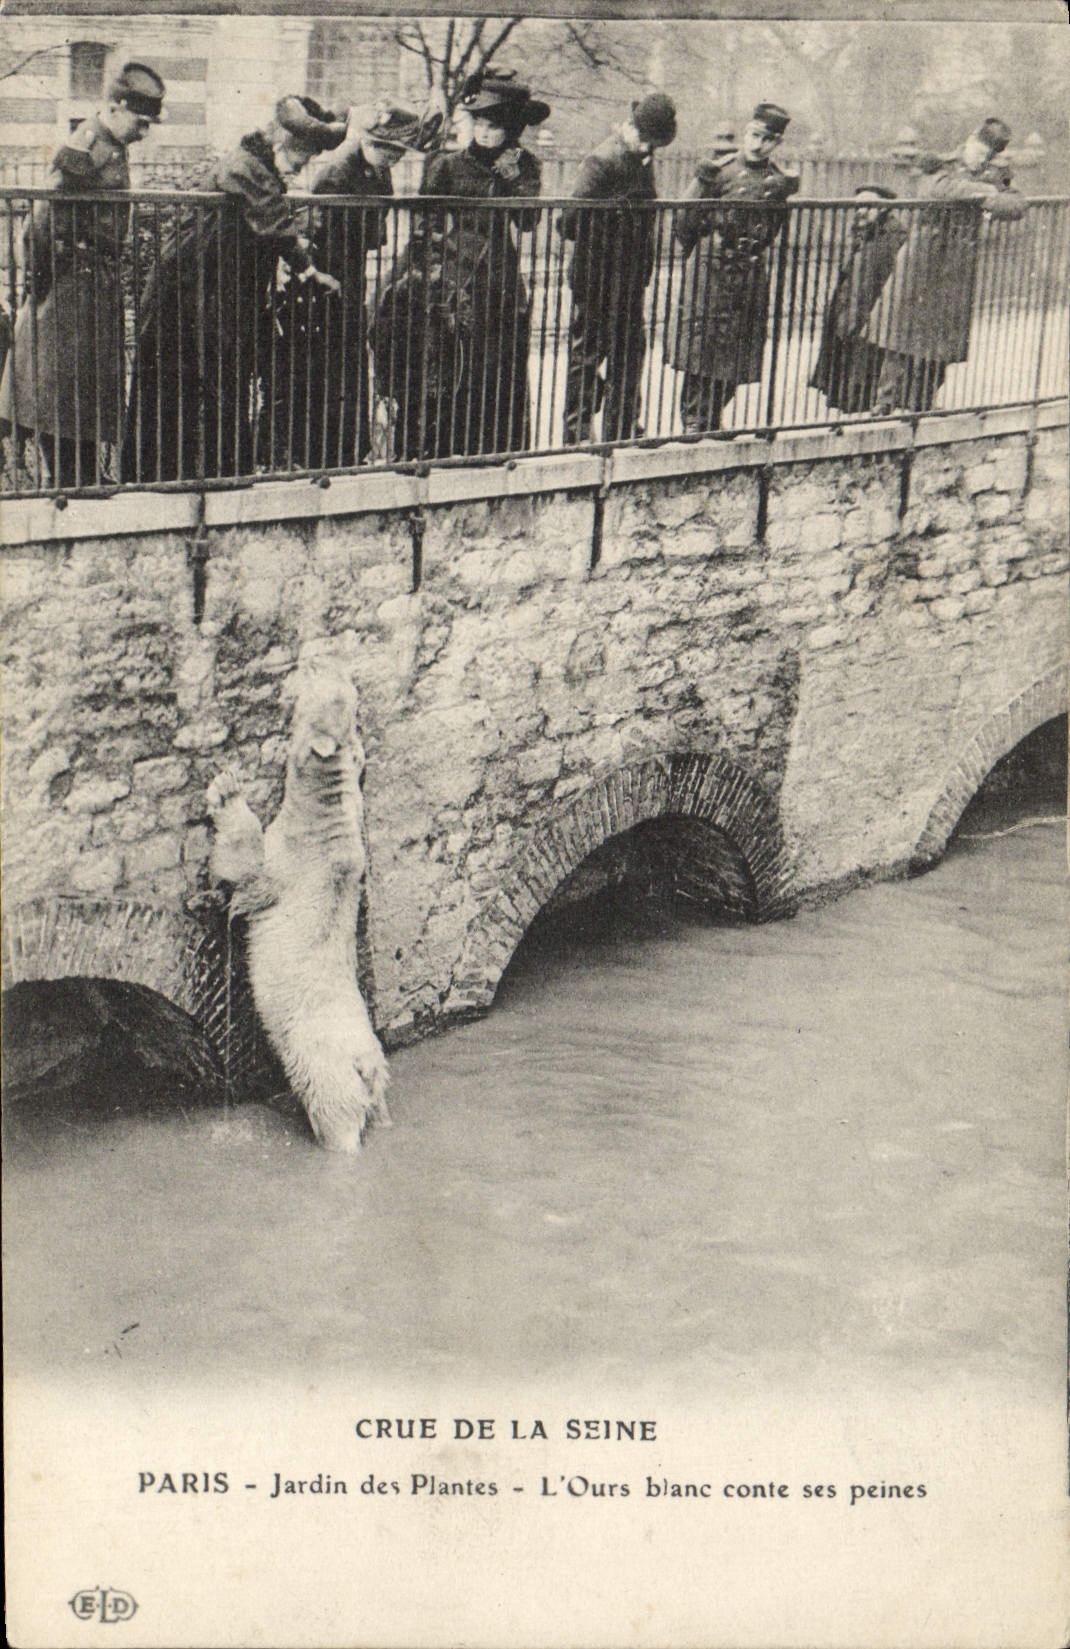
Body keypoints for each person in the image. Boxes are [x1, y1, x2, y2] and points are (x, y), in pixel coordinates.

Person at [121, 95, 344, 484]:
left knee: (219, 386)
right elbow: (273, 223)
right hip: (183, 295)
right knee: (176, 388)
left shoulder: (260, 167)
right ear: (279, 144)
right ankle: (159, 481)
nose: (300, 168)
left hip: (215, 295)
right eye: (300, 158)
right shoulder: (245, 167)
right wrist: (309, 270)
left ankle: (221, 479)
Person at [0, 62, 166, 490]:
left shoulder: (111, 142)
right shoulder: (85, 146)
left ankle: (84, 473)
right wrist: (40, 283)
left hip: (94, 282)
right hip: (73, 282)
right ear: (115, 107)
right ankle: (73, 477)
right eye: (140, 122)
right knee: (63, 389)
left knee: (84, 387)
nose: (144, 133)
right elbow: (42, 217)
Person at [375, 72, 548, 460]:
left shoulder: (524, 165)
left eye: (494, 127)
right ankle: (438, 453)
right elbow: (424, 224)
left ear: (512, 130)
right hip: (450, 277)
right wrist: (432, 275)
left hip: (497, 279)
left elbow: (528, 221)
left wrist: (513, 176)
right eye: (480, 124)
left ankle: (492, 452)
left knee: (496, 370)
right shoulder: (447, 164)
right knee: (449, 368)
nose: (484, 134)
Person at [261, 104, 430, 472]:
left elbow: (374, 232)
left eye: (397, 154)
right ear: (369, 141)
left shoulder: (378, 173)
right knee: (320, 367)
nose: (392, 159)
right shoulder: (338, 174)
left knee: (350, 363)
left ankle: (347, 453)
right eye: (387, 150)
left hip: (351, 274)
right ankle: (310, 454)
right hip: (324, 278)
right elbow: (319, 233)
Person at [864, 117, 1026, 414]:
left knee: (941, 344)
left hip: (957, 266)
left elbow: (1016, 206)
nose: (980, 158)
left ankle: (922, 405)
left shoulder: (996, 174)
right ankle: (883, 403)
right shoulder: (942, 163)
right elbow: (935, 189)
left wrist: (983, 195)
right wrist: (987, 194)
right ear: (968, 140)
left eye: (988, 155)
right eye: (978, 150)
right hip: (923, 257)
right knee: (900, 336)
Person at [670, 102, 798, 433]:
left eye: (767, 139)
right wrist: (703, 252)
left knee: (736, 354)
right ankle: (695, 421)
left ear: (776, 143)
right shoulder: (721, 171)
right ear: (745, 133)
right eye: (754, 135)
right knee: (702, 350)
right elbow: (684, 219)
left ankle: (713, 418)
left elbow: (773, 228)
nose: (757, 144)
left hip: (748, 271)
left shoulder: (778, 182)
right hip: (712, 267)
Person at [558, 92, 677, 445]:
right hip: (596, 276)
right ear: (632, 128)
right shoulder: (601, 160)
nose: (648, 149)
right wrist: (610, 218)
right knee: (587, 355)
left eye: (655, 144)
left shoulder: (644, 160)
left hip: (628, 280)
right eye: (645, 140)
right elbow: (567, 223)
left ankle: (622, 430)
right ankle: (577, 434)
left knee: (629, 355)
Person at [809, 186, 908, 414]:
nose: (861, 211)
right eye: (858, 206)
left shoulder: (892, 235)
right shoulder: (864, 231)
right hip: (849, 304)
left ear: (883, 207)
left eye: (868, 206)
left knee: (863, 366)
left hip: (870, 309)